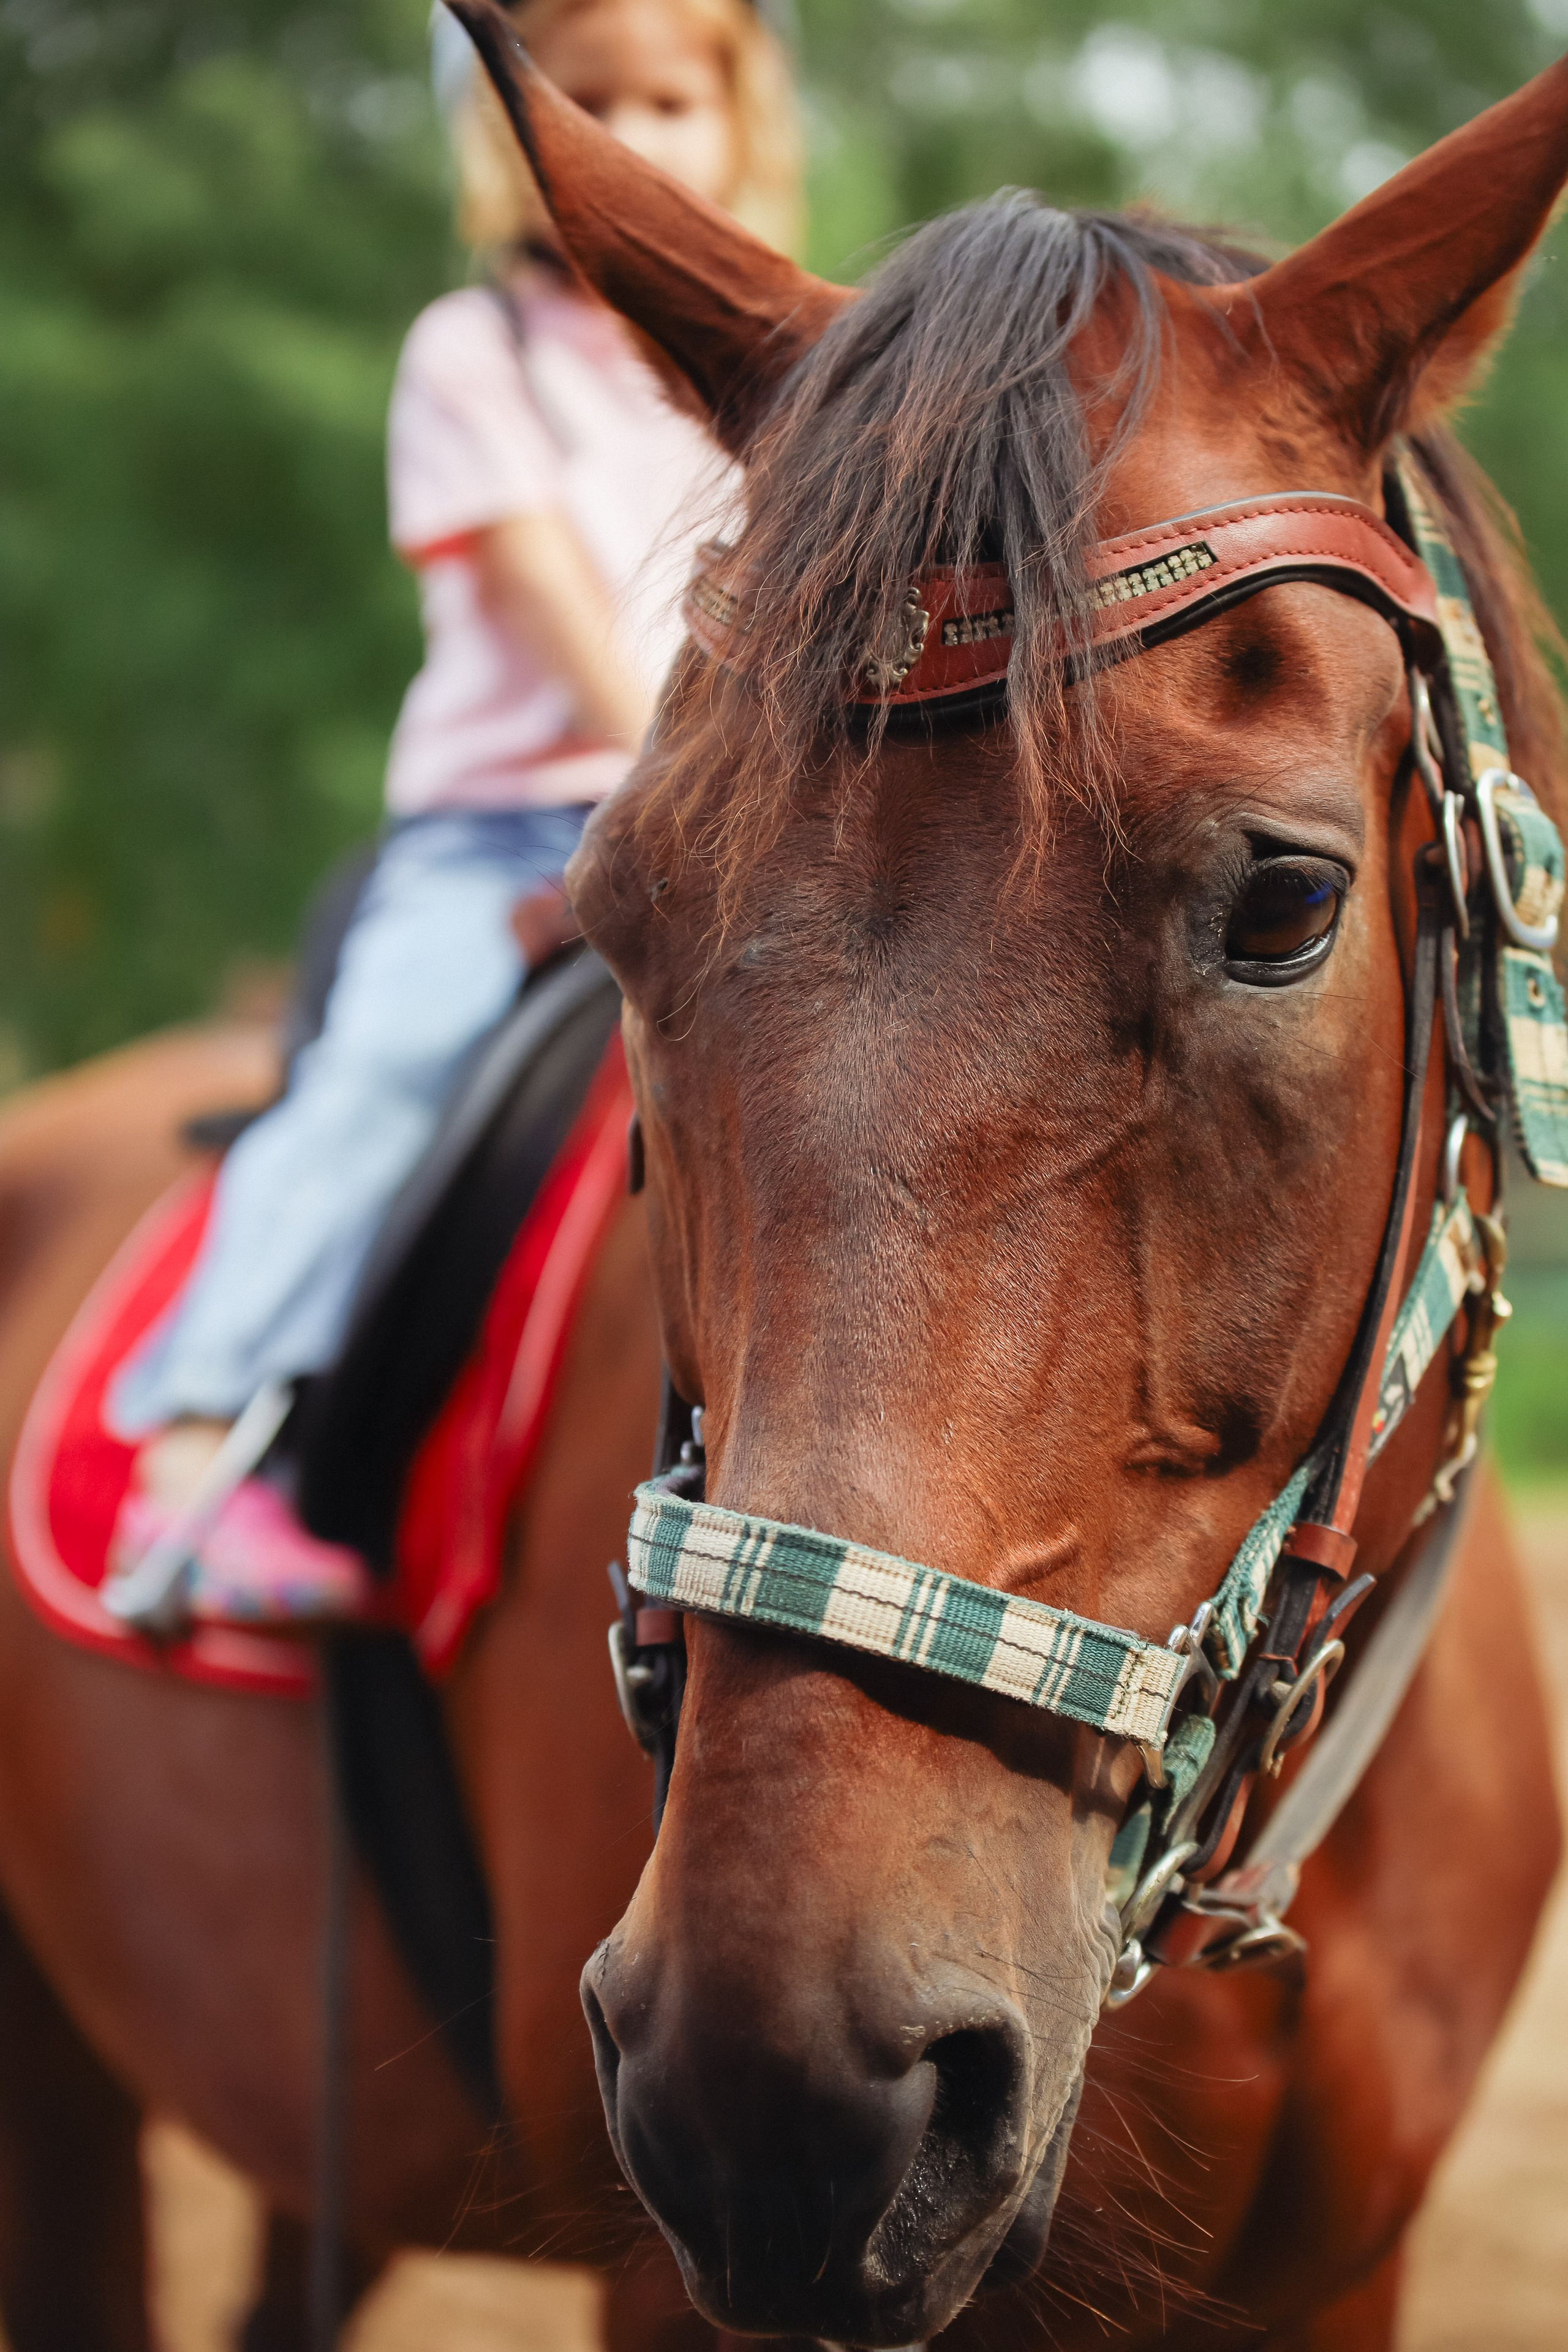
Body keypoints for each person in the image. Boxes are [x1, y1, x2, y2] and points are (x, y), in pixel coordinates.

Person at [105, 0, 802, 1627]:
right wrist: (688, 791)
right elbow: (566, 620)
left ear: (742, 122)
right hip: (512, 832)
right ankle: (199, 1452)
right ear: (513, 130)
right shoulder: (469, 355)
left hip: (738, 833)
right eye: (590, 96)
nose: (635, 131)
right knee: (388, 1071)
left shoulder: (773, 380)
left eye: (673, 98)